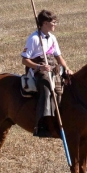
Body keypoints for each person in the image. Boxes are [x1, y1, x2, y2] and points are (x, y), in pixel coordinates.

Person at [20, 10, 70, 138]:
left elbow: (58, 57)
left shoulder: (53, 38)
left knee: (62, 87)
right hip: (38, 71)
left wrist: (67, 68)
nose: (56, 25)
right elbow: (24, 60)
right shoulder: (34, 39)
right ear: (45, 23)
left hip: (53, 68)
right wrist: (39, 67)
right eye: (54, 22)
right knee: (47, 88)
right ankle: (41, 124)